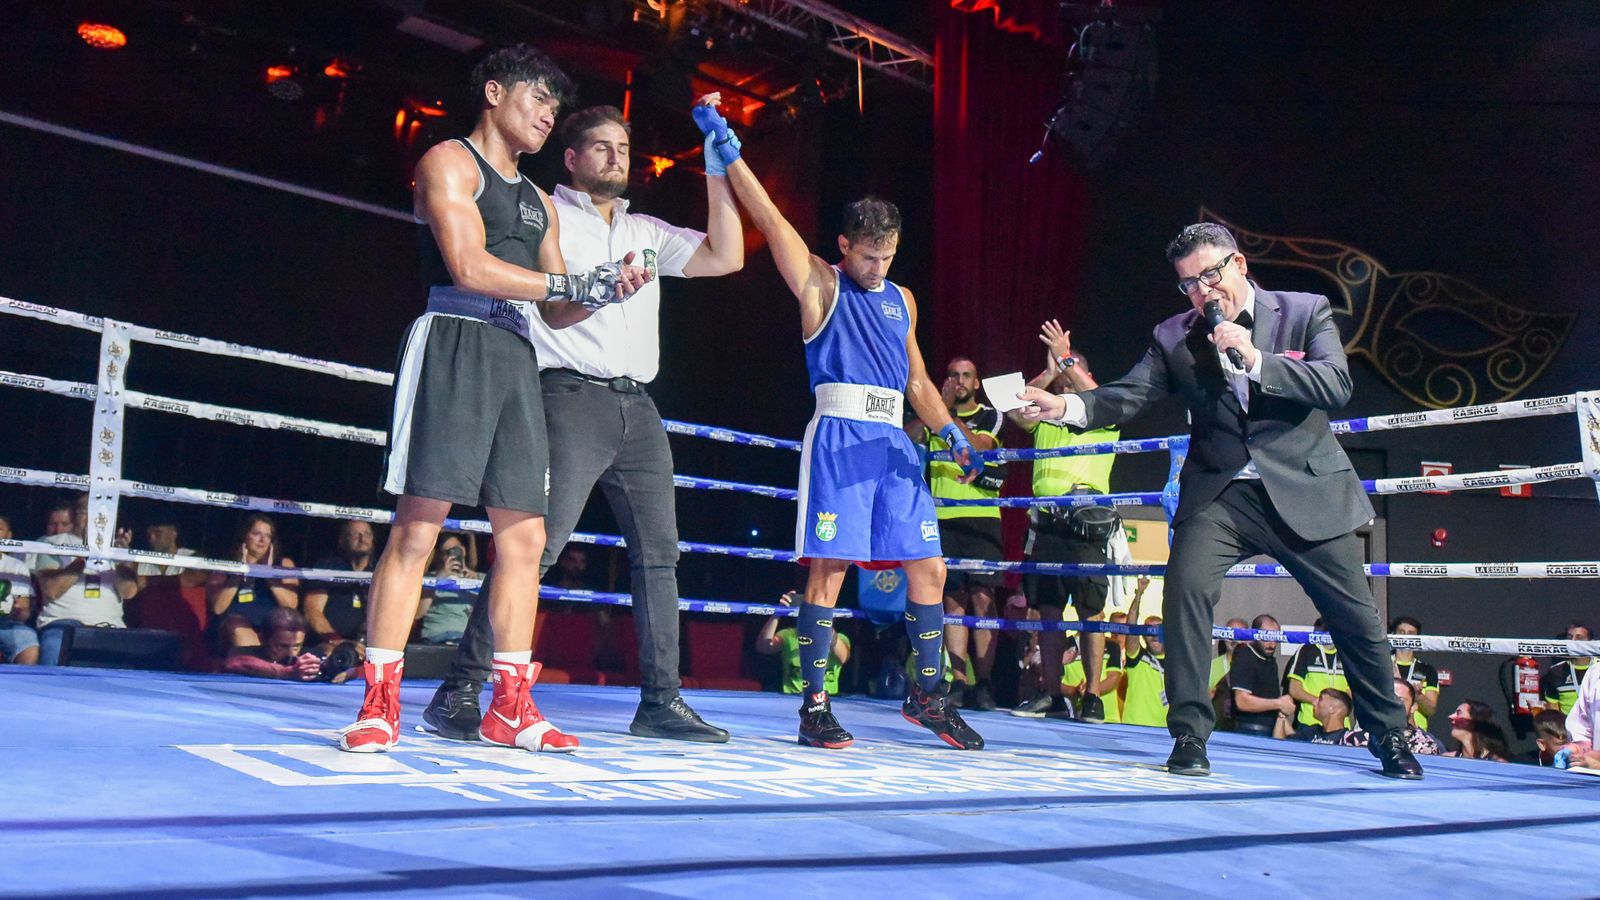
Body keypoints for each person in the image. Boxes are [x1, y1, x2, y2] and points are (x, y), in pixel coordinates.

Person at [339, 44, 652, 754]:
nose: (548, 115)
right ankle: (379, 703)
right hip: (453, 337)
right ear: (493, 92)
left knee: (526, 538)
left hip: (517, 355)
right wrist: (573, 285)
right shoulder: (448, 162)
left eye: (554, 106)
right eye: (537, 98)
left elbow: (556, 310)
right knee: (419, 525)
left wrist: (608, 287)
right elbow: (471, 266)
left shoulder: (541, 202)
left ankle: (510, 705)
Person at [1021, 222, 1420, 779]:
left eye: (1211, 275)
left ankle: (1391, 738)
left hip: (1305, 486)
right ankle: (1189, 736)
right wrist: (1065, 410)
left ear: (1239, 265)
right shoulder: (1173, 336)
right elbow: (1129, 394)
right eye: (1190, 284)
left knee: (1356, 618)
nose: (1204, 291)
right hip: (1222, 493)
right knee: (1184, 591)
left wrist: (1256, 359)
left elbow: (1335, 384)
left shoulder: (1304, 311)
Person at [420, 100, 742, 745]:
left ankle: (661, 700)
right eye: (601, 147)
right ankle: (461, 687)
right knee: (530, 550)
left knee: (660, 558)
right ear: (572, 158)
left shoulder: (646, 230)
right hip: (567, 395)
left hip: (639, 406)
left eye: (622, 148)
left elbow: (727, 256)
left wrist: (717, 171)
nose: (616, 157)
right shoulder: (546, 211)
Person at [699, 96, 983, 750]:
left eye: (887, 257)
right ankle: (815, 707)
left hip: (894, 448)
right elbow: (769, 219)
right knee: (828, 570)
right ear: (844, 245)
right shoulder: (820, 285)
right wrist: (727, 147)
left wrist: (953, 436)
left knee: (930, 570)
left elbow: (916, 380)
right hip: (838, 437)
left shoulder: (902, 299)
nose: (877, 268)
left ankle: (930, 694)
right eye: (868, 257)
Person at [1005, 327, 1123, 723]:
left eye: (1072, 373)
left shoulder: (1102, 416)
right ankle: (1053, 694)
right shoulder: (1046, 417)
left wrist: (1068, 361)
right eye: (1063, 374)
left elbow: (1096, 393)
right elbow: (1012, 409)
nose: (1066, 380)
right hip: (1048, 526)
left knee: (1092, 612)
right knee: (1048, 612)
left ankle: (1092, 695)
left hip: (1087, 525)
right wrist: (1047, 370)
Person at [907, 356, 1004, 710]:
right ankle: (960, 682)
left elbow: (978, 447)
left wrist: (945, 415)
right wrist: (939, 408)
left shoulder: (991, 415)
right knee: (952, 600)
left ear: (976, 383)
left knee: (982, 598)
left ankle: (986, 683)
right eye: (952, 375)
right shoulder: (933, 413)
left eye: (966, 376)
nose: (959, 381)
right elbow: (908, 437)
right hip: (940, 516)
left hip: (982, 518)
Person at [207, 514, 299, 654]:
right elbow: (218, 608)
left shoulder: (284, 564)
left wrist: (268, 575)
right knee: (237, 624)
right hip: (232, 629)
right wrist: (239, 572)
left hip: (270, 629)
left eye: (267, 536)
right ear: (245, 536)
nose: (262, 540)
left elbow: (291, 606)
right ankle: (261, 663)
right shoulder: (226, 565)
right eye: (256, 534)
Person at [302, 520, 377, 655]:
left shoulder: (380, 571)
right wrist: (336, 641)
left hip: (367, 647)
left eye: (367, 534)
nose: (362, 539)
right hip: (328, 644)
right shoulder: (327, 567)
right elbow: (312, 610)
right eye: (355, 534)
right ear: (342, 540)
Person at [756, 590, 852, 694]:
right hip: (792, 698)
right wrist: (777, 613)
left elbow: (844, 657)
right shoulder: (788, 635)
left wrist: (822, 621)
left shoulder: (840, 638)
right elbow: (763, 646)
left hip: (827, 699)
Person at [1229, 614, 1293, 737]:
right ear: (1255, 635)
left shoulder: (1270, 661)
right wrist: (1279, 703)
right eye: (1266, 637)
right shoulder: (1245, 656)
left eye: (1275, 638)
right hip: (1248, 732)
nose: (1272, 644)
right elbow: (1242, 701)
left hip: (1270, 730)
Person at [1389, 615, 1440, 728]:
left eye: (1411, 633)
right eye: (1401, 632)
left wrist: (1417, 695)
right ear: (1393, 634)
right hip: (1385, 728)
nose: (1406, 637)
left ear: (1418, 638)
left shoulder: (1428, 670)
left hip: (1416, 733)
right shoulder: (1382, 665)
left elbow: (1430, 710)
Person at [1541, 623, 1593, 716]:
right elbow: (1553, 708)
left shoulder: (1597, 666)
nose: (1573, 641)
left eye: (1579, 638)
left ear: (1590, 642)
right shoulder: (1555, 672)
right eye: (1569, 638)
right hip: (1568, 729)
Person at [1444, 700, 1511, 762]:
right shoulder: (1446, 759)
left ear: (1474, 721)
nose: (1450, 716)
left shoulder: (1498, 764)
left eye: (1459, 713)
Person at [1285, 688, 1353, 744]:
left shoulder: (1347, 740)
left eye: (1320, 699)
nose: (1314, 702)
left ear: (1332, 709)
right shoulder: (1310, 732)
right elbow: (1281, 747)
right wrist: (1281, 715)